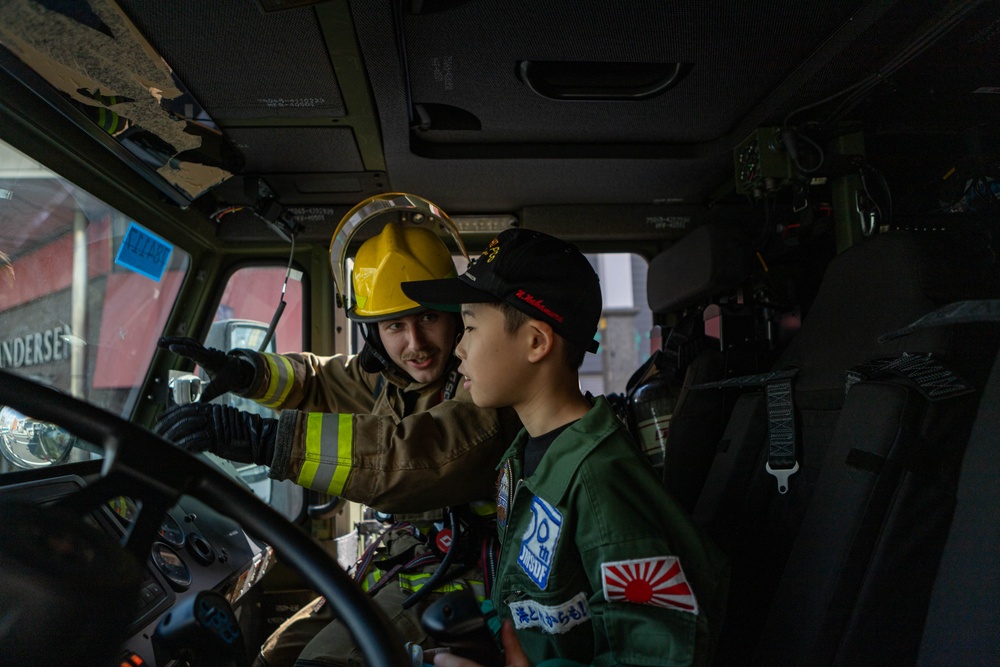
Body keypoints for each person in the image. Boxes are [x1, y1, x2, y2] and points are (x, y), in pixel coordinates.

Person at [154, 198, 522, 667]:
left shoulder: (485, 385)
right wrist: (247, 372)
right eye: (395, 325)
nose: (416, 343)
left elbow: (411, 457)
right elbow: (319, 379)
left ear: (454, 313)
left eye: (429, 317)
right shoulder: (391, 373)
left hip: (462, 577)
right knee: (272, 658)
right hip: (403, 562)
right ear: (373, 334)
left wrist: (262, 439)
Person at [402, 228, 730, 666]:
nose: (458, 348)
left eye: (472, 327)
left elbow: (655, 656)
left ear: (536, 342)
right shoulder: (521, 459)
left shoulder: (599, 480)